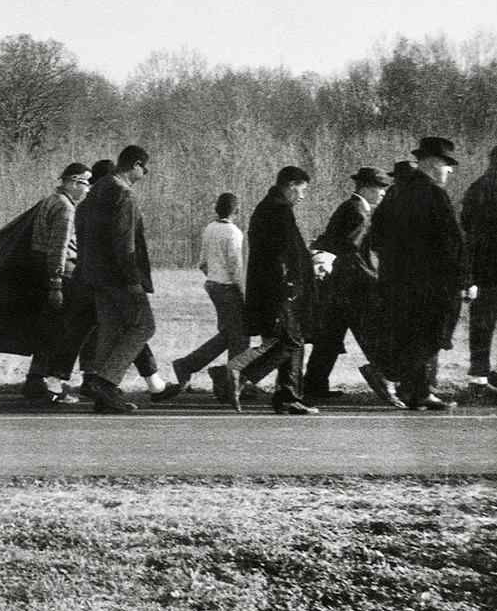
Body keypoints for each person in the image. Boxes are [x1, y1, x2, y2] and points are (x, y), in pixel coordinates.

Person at [368, 137, 475, 410]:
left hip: (396, 280)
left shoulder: (396, 192)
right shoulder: (433, 194)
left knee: (411, 333)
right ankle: (388, 372)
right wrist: (464, 279)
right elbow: (452, 241)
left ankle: (418, 392)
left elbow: (375, 236)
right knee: (432, 334)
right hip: (431, 282)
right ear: (431, 163)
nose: (449, 170)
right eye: (446, 164)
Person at [216, 167, 319, 415]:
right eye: (302, 190)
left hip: (273, 287)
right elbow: (283, 254)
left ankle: (288, 396)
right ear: (291, 185)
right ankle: (239, 373)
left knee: (293, 339)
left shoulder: (269, 207)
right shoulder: (279, 210)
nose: (303, 196)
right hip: (280, 288)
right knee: (291, 340)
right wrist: (296, 277)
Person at [303, 166, 402, 408]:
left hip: (338, 287)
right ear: (367, 189)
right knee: (371, 334)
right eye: (380, 189)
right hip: (352, 288)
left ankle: (314, 385)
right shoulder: (358, 212)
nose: (382, 194)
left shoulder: (350, 207)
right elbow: (351, 253)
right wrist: (373, 279)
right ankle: (382, 377)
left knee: (329, 337)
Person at [73, 145, 154, 414]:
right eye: (144, 166)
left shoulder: (94, 192)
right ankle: (106, 382)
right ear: (135, 164)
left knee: (109, 329)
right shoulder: (124, 195)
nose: (146, 171)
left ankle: (101, 396)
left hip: (94, 274)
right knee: (143, 326)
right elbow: (125, 243)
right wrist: (133, 279)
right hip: (118, 276)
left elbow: (81, 227)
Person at [157, 192, 249, 400]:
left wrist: (213, 278)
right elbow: (236, 268)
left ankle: (194, 367)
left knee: (230, 334)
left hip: (213, 285)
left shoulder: (210, 229)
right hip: (229, 288)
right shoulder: (233, 233)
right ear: (237, 210)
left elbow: (203, 263)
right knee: (240, 337)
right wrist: (244, 293)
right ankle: (229, 383)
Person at [21, 162, 92, 405]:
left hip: (42, 270)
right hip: (63, 275)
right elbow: (59, 248)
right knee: (63, 331)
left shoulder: (49, 200)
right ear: (73, 182)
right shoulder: (66, 208)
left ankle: (35, 380)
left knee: (47, 329)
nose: (88, 189)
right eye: (86, 182)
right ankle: (52, 385)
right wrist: (56, 283)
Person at [458, 145, 497, 398]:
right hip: (492, 270)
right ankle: (495, 377)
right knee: (483, 327)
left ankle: (481, 380)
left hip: (485, 269)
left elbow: (467, 228)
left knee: (481, 328)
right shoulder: (486, 188)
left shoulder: (478, 187)